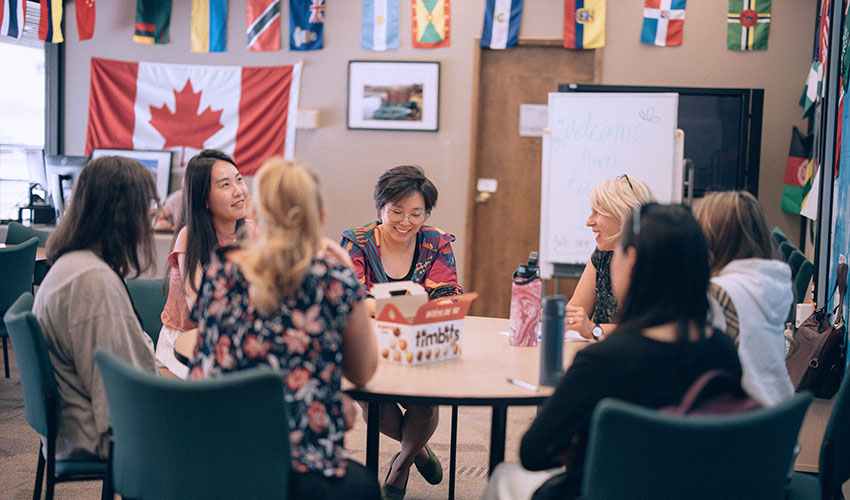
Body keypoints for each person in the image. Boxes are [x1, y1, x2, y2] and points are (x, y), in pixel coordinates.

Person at [483, 204, 742, 500]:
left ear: (631, 261)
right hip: (695, 489)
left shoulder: (605, 361)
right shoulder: (723, 352)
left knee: (504, 476)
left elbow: (533, 452)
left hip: (605, 490)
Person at [187, 158, 380, 500]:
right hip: (297, 471)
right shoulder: (333, 279)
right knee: (363, 484)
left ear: (257, 219)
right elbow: (362, 371)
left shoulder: (221, 270)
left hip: (212, 457)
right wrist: (347, 269)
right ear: (320, 218)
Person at [341, 165, 461, 499]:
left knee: (425, 405)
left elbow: (446, 294)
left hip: (419, 343)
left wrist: (384, 305)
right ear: (380, 208)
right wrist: (410, 307)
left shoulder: (435, 242)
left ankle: (400, 466)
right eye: (396, 211)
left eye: (416, 213)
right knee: (376, 408)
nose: (405, 222)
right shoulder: (357, 242)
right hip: (369, 344)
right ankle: (419, 451)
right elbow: (351, 298)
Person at [33, 156, 158, 461]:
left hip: (70, 426)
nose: (150, 216)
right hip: (94, 435)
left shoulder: (72, 264)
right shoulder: (93, 281)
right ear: (123, 214)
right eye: (146, 206)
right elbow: (119, 396)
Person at [156, 150, 254, 378]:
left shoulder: (252, 231)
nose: (239, 191)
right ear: (205, 199)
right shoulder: (190, 237)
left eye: (239, 180)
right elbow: (201, 308)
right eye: (225, 185)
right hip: (184, 345)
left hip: (236, 341)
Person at [694, 190, 795, 406]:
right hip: (778, 420)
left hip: (740, 423)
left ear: (712, 238)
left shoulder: (717, 294)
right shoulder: (774, 283)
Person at [565, 175, 654, 340]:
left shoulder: (654, 260)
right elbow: (575, 310)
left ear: (624, 216)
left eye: (597, 213)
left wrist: (594, 329)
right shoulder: (602, 255)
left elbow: (647, 331)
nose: (589, 222)